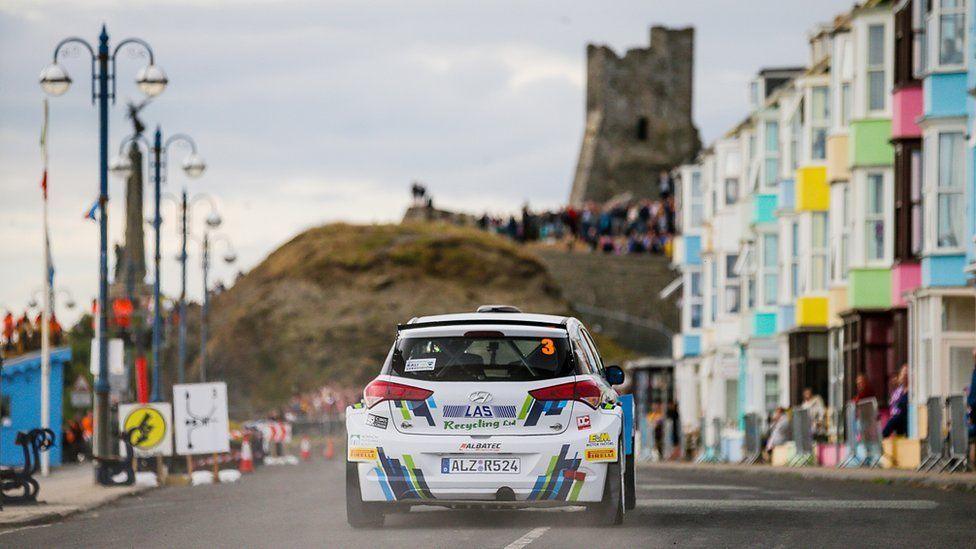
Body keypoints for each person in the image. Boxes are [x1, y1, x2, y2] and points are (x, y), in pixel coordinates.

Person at [883, 365, 909, 438]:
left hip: (905, 419)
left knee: (896, 419)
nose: (905, 376)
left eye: (906, 373)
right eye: (903, 373)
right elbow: (892, 403)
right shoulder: (899, 390)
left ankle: (882, 436)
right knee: (894, 420)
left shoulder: (912, 390)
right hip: (897, 420)